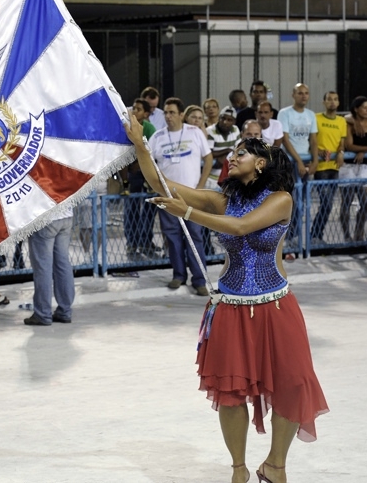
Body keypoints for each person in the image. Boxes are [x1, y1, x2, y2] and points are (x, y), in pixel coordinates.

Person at [125, 115, 329, 483]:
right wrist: (140, 145)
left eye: (240, 154)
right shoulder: (222, 200)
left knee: (294, 384)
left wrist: (187, 213)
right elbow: (162, 184)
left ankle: (275, 465)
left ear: (261, 162)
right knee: (231, 393)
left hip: (277, 307)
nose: (231, 159)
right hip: (231, 308)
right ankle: (239, 469)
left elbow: (241, 227)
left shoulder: (281, 200)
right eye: (232, 153)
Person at [148, 97, 213, 296]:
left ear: (181, 115)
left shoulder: (194, 133)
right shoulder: (157, 136)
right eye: (166, 112)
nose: (168, 116)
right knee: (172, 237)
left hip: (191, 196)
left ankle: (199, 279)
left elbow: (208, 159)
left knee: (194, 236)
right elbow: (149, 163)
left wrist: (200, 188)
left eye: (172, 113)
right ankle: (178, 274)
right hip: (168, 197)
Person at [278, 83, 319, 244]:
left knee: (305, 202)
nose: (303, 96)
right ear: (293, 94)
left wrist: (315, 161)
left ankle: (303, 237)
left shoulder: (310, 115)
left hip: (306, 161)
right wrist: (299, 162)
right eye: (300, 93)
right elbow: (285, 140)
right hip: (291, 162)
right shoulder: (285, 113)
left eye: (306, 93)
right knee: (292, 200)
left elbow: (314, 140)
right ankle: (289, 236)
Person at [24, 207, 75, 326]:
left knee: (43, 267)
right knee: (62, 263)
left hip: (44, 216)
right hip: (66, 214)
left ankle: (42, 313)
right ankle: (65, 311)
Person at [310, 91, 346, 243]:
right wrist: (319, 152)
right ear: (324, 102)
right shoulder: (316, 118)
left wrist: (341, 152)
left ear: (338, 103)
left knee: (328, 205)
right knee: (327, 203)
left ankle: (317, 235)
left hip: (334, 167)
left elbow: (341, 142)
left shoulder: (341, 121)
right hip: (321, 168)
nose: (332, 102)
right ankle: (315, 235)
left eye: (335, 99)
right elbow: (311, 141)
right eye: (329, 99)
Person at [125, 98, 159, 258]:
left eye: (138, 109)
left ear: (146, 114)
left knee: (148, 210)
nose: (134, 111)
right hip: (130, 173)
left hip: (145, 173)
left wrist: (140, 164)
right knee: (131, 209)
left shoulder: (150, 128)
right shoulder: (126, 127)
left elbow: (151, 151)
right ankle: (131, 243)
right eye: (134, 108)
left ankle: (146, 242)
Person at [342, 95, 367, 241]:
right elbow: (349, 145)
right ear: (356, 109)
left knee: (365, 203)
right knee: (346, 201)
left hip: (364, 167)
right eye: (364, 107)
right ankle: (346, 237)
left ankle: (359, 234)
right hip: (349, 166)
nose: (366, 110)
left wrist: (363, 151)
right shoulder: (349, 122)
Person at [206, 105, 240, 190]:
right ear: (219, 118)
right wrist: (227, 150)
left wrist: (223, 158)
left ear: (234, 121)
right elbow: (208, 154)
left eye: (229, 120)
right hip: (211, 178)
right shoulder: (210, 131)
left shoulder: (235, 130)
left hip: (230, 178)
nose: (225, 122)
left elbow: (238, 151)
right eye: (223, 118)